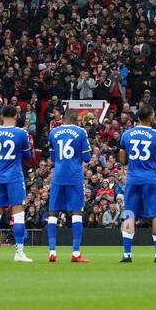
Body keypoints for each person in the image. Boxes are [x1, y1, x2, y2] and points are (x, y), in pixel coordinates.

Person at [118, 105, 156, 263]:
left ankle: (127, 254)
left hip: (133, 179)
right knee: (155, 215)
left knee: (129, 214)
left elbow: (122, 160)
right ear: (151, 116)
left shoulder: (127, 134)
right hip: (150, 179)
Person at [0, 104, 33, 263]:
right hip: (14, 178)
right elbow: (28, 157)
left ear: (1, 115)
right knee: (18, 216)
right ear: (16, 115)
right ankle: (19, 253)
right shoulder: (21, 133)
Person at [45, 111, 92, 262]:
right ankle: (76, 253)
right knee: (76, 212)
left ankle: (52, 251)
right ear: (76, 119)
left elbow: (52, 157)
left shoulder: (54, 132)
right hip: (74, 176)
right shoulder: (80, 132)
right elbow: (87, 157)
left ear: (63, 119)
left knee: (53, 212)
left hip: (58, 176)